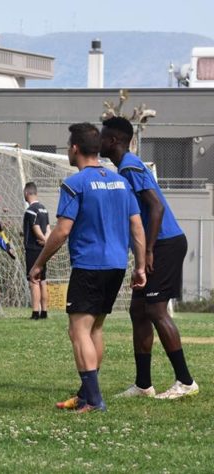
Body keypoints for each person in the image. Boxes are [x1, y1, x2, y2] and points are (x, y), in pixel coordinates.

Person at [30, 122, 146, 413]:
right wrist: (140, 266)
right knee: (95, 328)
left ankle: (94, 400)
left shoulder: (75, 184)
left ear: (75, 149)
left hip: (89, 265)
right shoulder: (121, 181)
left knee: (78, 330)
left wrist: (39, 263)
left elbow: (62, 230)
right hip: (117, 265)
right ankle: (85, 394)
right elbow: (137, 227)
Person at [101, 116, 199, 399]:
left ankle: (185, 381)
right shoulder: (125, 166)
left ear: (114, 141)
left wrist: (150, 250)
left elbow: (156, 208)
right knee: (138, 311)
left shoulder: (130, 165)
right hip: (157, 245)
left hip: (165, 244)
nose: (99, 142)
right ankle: (143, 384)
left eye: (103, 136)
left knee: (156, 310)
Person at [23, 182, 51, 320]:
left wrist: (43, 239)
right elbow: (48, 228)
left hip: (33, 250)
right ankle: (44, 312)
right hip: (42, 249)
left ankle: (35, 312)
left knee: (33, 279)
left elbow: (36, 228)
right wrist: (47, 241)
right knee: (43, 280)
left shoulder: (31, 210)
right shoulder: (44, 209)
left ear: (27, 193)